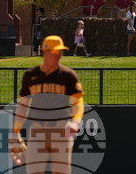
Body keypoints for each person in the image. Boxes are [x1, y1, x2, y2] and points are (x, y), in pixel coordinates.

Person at [10, 35, 85, 174]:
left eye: (61, 52)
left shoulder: (67, 75)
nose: (59, 56)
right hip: (37, 131)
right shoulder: (31, 75)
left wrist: (75, 121)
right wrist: (15, 132)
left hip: (61, 131)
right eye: (56, 52)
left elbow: (78, 102)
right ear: (45, 52)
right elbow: (23, 105)